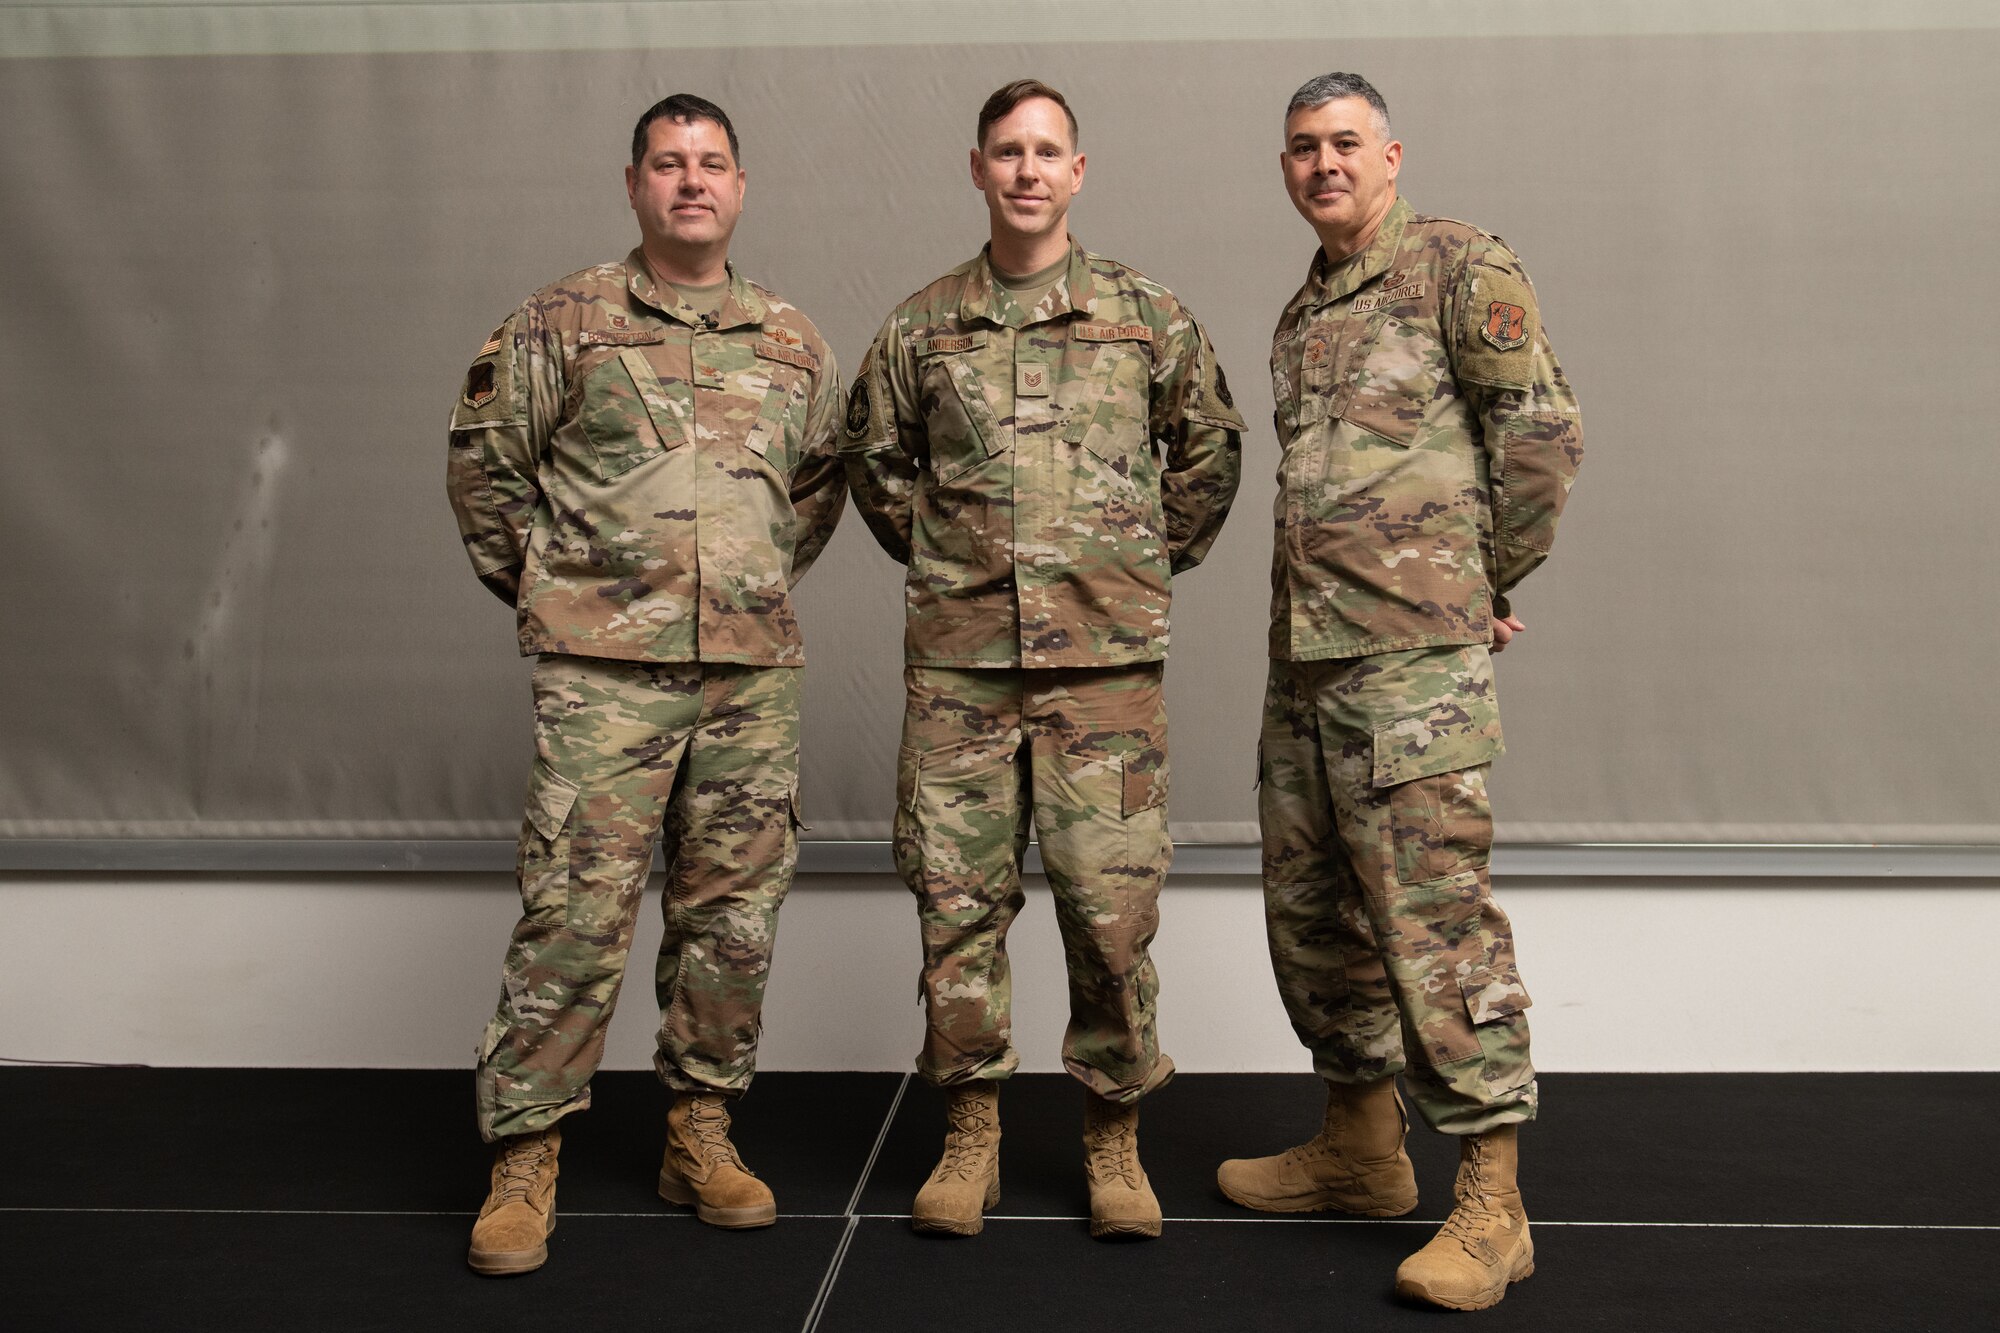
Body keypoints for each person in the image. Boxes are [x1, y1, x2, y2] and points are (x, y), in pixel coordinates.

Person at [445, 93, 846, 1275]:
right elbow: (487, 475)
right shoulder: (560, 321)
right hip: (602, 681)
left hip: (747, 676)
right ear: (633, 185)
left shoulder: (790, 341)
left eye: (711, 163)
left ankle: (698, 1131)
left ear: (739, 186)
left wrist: (740, 586)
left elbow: (809, 495)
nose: (690, 182)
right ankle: (525, 1155)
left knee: (730, 923)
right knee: (573, 914)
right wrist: (563, 598)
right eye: (667, 164)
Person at [842, 79, 1244, 1241]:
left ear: (1078, 171)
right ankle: (970, 1132)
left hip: (1102, 675)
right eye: (1005, 152)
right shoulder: (922, 328)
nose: (1025, 170)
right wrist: (954, 563)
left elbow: (1207, 451)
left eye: (1046, 151)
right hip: (961, 673)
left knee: (1108, 913)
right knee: (955, 906)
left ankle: (1113, 1138)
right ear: (976, 169)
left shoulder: (1143, 317)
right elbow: (873, 461)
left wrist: (1127, 568)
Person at [1215, 72, 1582, 1311]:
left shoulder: (1456, 267)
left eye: (1343, 144)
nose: (1322, 163)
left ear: (1390, 154)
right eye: (1302, 148)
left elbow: (1536, 431)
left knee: (1434, 924)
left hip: (1409, 667)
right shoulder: (1301, 313)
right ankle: (1360, 1150)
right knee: (1313, 915)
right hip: (1305, 662)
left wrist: (1478, 579)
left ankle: (1491, 1203)